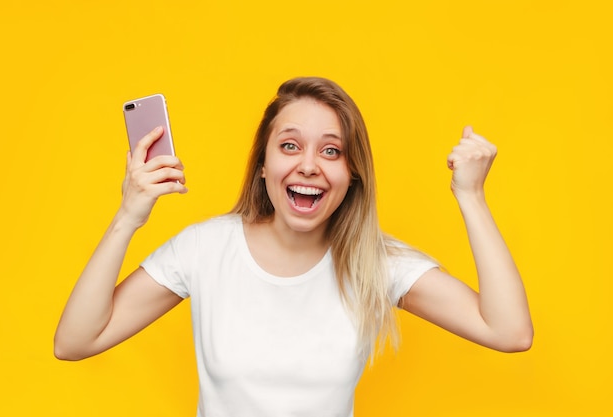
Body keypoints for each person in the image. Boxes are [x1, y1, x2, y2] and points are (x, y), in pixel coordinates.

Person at [54, 77, 533, 416]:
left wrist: (470, 196)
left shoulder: (376, 264)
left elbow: (509, 332)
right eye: (289, 146)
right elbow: (75, 342)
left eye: (331, 150)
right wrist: (128, 217)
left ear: (352, 175)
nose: (309, 165)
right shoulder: (205, 249)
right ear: (263, 165)